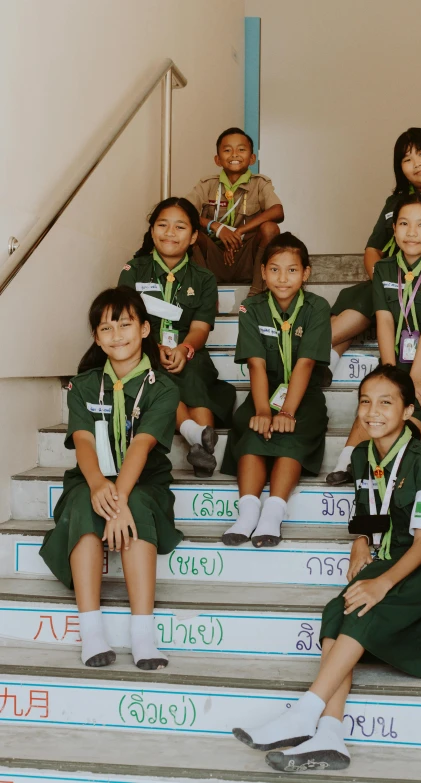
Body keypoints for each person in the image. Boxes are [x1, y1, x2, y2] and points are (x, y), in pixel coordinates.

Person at [231, 365, 421, 772]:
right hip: (392, 551)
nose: (372, 412)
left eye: (386, 402)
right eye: (365, 401)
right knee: (335, 611)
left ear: (407, 410)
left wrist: (381, 584)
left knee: (365, 606)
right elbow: (368, 512)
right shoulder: (363, 455)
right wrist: (360, 541)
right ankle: (330, 733)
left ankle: (304, 711)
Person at [39, 287, 183, 670]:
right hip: (92, 475)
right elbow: (84, 442)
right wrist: (100, 485)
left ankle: (142, 633)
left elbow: (141, 447)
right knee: (86, 505)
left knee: (134, 504)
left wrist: (117, 501)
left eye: (125, 324)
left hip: (145, 479)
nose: (116, 334)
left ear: (146, 329)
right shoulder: (83, 385)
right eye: (106, 327)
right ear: (96, 337)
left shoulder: (163, 388)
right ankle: (92, 630)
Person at [327, 193, 421, 485]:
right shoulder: (383, 268)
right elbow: (384, 319)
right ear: (393, 229)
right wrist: (389, 370)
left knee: (410, 407)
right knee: (383, 394)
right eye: (404, 223)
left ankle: (380, 462)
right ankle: (347, 461)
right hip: (403, 353)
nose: (411, 232)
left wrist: (413, 379)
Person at [329, 127, 421, 376]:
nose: (416, 163)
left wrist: (419, 272)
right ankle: (327, 356)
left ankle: (308, 348)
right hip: (396, 279)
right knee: (370, 296)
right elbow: (372, 249)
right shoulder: (394, 203)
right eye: (407, 159)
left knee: (376, 298)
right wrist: (384, 279)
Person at [220, 232, 331, 548]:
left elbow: (305, 364)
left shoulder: (317, 307)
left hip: (302, 395)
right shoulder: (251, 307)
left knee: (290, 437)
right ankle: (248, 510)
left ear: (306, 273)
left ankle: (273, 510)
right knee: (253, 433)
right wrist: (264, 411)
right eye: (275, 269)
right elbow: (255, 364)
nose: (283, 278)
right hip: (263, 392)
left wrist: (286, 411)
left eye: (292, 270)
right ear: (263, 271)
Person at [119, 197, 236, 477]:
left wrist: (184, 349)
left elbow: (200, 329)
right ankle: (199, 440)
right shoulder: (133, 271)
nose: (170, 233)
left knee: (193, 377)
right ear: (151, 230)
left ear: (194, 235)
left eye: (180, 227)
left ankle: (198, 444)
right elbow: (126, 322)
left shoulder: (204, 278)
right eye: (163, 225)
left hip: (189, 350)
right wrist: (154, 347)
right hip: (143, 350)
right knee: (157, 374)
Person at [185, 127, 284, 296]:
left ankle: (257, 291)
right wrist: (216, 226)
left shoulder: (260, 184)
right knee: (189, 232)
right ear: (217, 159)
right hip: (214, 256)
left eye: (241, 149)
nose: (234, 154)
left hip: (248, 257)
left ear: (252, 158)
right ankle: (206, 293)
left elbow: (278, 211)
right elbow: (183, 212)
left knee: (270, 228)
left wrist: (239, 232)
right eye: (227, 150)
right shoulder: (207, 184)